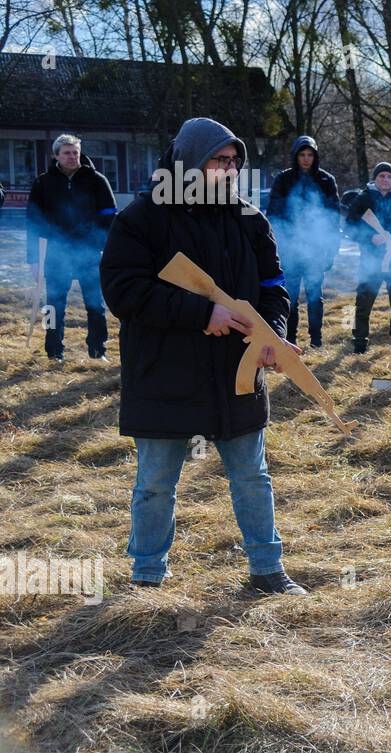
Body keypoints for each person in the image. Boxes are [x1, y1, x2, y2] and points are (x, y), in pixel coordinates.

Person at [99, 117, 306, 594]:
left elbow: (274, 287)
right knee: (155, 483)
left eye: (235, 162)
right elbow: (123, 290)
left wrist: (272, 334)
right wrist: (199, 313)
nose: (230, 170)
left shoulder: (249, 218)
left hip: (236, 371)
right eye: (220, 160)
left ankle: (267, 570)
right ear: (191, 160)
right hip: (164, 372)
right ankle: (147, 576)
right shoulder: (143, 217)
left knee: (252, 476)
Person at [26, 134, 116, 363]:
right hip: (56, 254)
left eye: (75, 152)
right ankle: (54, 351)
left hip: (89, 253)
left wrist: (100, 243)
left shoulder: (96, 180)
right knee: (53, 305)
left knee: (95, 304)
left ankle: (98, 350)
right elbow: (32, 222)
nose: (71, 156)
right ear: (56, 155)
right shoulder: (42, 183)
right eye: (66, 152)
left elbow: (109, 214)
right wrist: (33, 260)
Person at [265, 135, 341, 348]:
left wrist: (331, 250)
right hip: (290, 249)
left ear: (315, 156)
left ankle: (316, 341)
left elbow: (334, 217)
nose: (306, 159)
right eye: (302, 154)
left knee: (315, 297)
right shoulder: (284, 179)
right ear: (295, 156)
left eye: (310, 155)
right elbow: (273, 215)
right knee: (289, 297)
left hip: (316, 249)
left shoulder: (326, 180)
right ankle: (290, 341)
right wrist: (275, 248)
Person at [345, 162, 391, 353]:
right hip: (370, 259)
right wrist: (370, 237)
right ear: (375, 178)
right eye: (381, 176)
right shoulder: (363, 199)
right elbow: (349, 228)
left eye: (389, 176)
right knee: (363, 304)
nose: (385, 180)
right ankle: (360, 343)